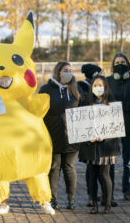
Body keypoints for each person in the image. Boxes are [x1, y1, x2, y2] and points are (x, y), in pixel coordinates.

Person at [40, 62, 80, 210]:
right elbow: (39, 110)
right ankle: (53, 199)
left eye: (70, 70)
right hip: (53, 134)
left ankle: (71, 200)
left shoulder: (76, 89)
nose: (68, 73)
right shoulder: (46, 89)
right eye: (65, 70)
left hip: (73, 135)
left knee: (69, 167)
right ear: (58, 72)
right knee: (54, 167)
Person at [79, 75, 120, 214]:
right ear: (91, 87)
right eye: (95, 85)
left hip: (106, 146)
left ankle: (107, 203)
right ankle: (94, 204)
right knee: (92, 175)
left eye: (100, 85)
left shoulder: (112, 103)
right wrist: (87, 137)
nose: (98, 88)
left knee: (105, 174)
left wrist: (105, 137)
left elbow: (116, 126)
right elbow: (80, 124)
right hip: (90, 146)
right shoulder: (85, 102)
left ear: (105, 86)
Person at [106, 52, 130, 202]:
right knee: (110, 161)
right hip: (111, 126)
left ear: (128, 64)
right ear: (112, 66)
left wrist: (124, 106)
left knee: (128, 161)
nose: (119, 64)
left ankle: (127, 190)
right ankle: (109, 192)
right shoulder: (107, 81)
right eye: (116, 63)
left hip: (128, 126)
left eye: (122, 61)